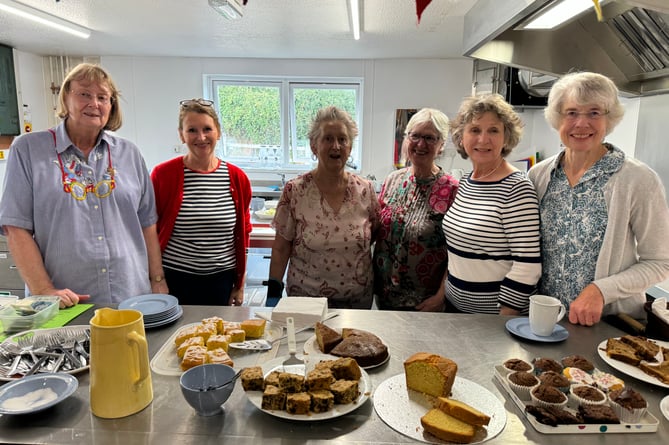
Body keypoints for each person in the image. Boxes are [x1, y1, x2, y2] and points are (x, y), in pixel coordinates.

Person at [0, 63, 167, 307]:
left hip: (130, 296)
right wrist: (44, 289)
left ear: (112, 106)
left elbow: (147, 224)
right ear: (66, 98)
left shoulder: (129, 153)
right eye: (84, 94)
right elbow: (16, 226)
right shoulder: (28, 150)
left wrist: (157, 279)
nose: (94, 103)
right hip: (65, 301)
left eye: (103, 97)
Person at [528, 71, 669, 326]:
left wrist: (602, 290)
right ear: (557, 117)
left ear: (609, 118)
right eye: (571, 113)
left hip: (607, 326)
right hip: (544, 322)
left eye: (594, 113)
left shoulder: (638, 179)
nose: (581, 124)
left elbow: (660, 262)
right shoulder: (539, 175)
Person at [266, 106, 379, 309]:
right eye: (328, 138)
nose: (336, 146)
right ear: (314, 146)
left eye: (342, 139)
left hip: (357, 302)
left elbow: (375, 235)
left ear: (350, 147)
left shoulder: (365, 190)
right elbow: (281, 248)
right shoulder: (295, 191)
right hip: (306, 300)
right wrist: (273, 294)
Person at [443, 94, 541, 315]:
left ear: (506, 137)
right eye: (475, 130)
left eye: (493, 130)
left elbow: (528, 265)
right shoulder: (468, 182)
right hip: (455, 310)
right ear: (461, 137)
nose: (483, 139)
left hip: (493, 318)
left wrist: (502, 320)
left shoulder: (517, 188)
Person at [151, 99, 252, 306]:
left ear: (218, 132)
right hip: (175, 279)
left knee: (217, 336)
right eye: (192, 130)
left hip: (221, 280)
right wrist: (156, 279)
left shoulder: (236, 178)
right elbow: (149, 231)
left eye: (207, 129)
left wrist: (239, 284)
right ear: (181, 134)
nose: (201, 137)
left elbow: (243, 234)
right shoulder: (163, 175)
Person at [373, 108, 459, 311]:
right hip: (385, 295)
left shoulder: (452, 189)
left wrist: (441, 295)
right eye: (415, 136)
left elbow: (458, 253)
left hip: (425, 301)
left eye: (430, 138)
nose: (421, 144)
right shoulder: (393, 180)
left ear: (441, 145)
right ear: (406, 139)